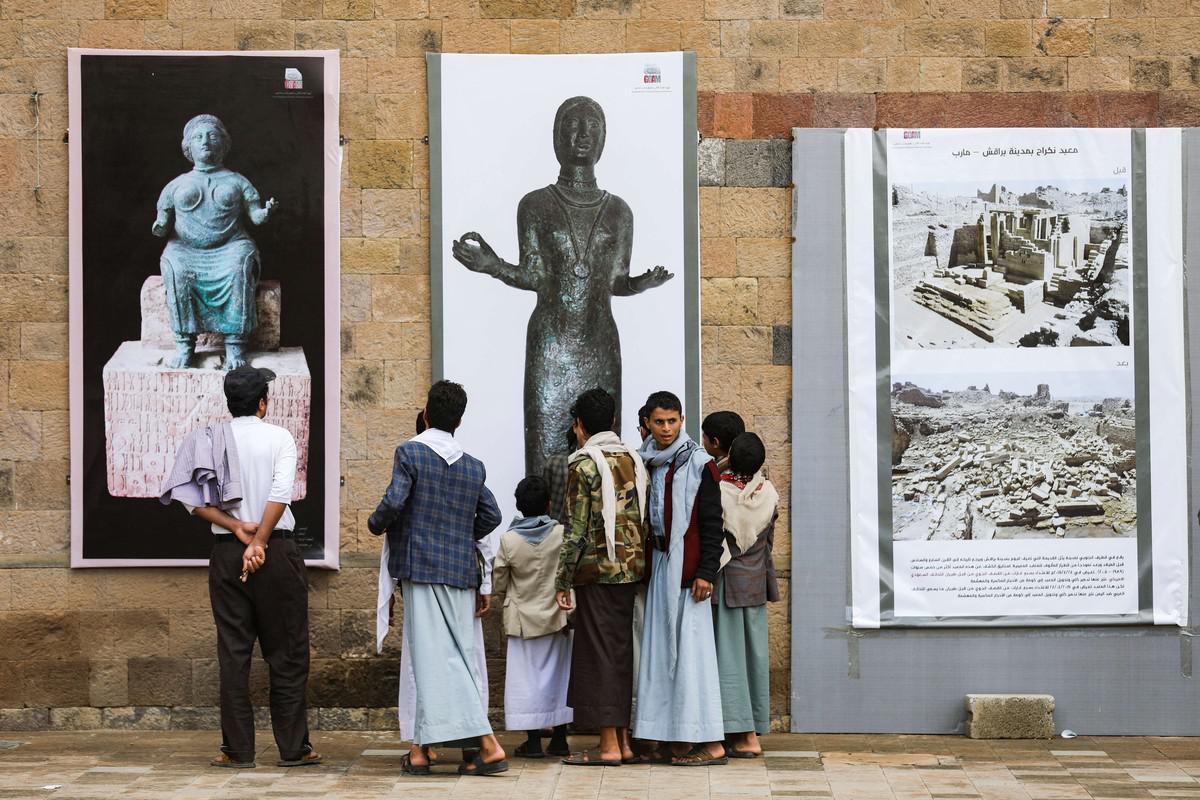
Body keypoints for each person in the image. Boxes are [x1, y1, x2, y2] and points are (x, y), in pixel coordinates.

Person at [452, 96, 674, 477]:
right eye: (573, 125)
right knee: (546, 456)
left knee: (604, 458)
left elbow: (615, 282)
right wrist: (494, 266)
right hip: (551, 343)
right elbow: (534, 275)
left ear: (603, 139)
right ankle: (544, 515)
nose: (583, 134)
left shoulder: (619, 211)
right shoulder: (535, 205)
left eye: (592, 126)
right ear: (557, 136)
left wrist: (642, 283)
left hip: (599, 342)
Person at [164, 365, 317, 769]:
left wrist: (236, 528)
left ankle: (237, 750)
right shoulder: (279, 437)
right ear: (263, 403)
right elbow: (280, 493)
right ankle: (293, 748)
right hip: (276, 551)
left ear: (230, 403)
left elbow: (191, 501)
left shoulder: (208, 439)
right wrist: (261, 541)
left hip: (228, 552)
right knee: (287, 652)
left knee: (233, 654)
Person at [367, 380, 507, 777]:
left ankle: (488, 745)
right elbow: (492, 515)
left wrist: (375, 523)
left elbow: (395, 500)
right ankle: (421, 750)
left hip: (422, 567)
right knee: (456, 657)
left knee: (431, 661)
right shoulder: (473, 465)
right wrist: (459, 533)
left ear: (426, 413)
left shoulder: (410, 453)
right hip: (461, 571)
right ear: (459, 421)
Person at [633, 390, 727, 767]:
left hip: (688, 574)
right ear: (648, 423)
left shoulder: (700, 464)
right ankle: (671, 738)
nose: (667, 428)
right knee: (659, 655)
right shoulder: (644, 461)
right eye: (659, 422)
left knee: (692, 656)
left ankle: (710, 742)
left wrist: (706, 572)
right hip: (659, 566)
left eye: (673, 421)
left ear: (682, 420)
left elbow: (712, 523)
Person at [555, 388, 647, 766]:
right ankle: (623, 742)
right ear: (612, 421)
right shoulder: (632, 459)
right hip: (632, 569)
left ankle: (608, 746)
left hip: (597, 571)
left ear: (579, 425)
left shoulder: (583, 465)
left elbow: (576, 529)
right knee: (620, 653)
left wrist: (562, 580)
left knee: (598, 655)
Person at [153, 114, 277, 370]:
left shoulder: (237, 181)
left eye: (212, 136)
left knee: (239, 267)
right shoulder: (177, 184)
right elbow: (162, 221)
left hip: (231, 246)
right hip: (185, 249)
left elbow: (255, 216)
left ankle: (235, 346)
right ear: (188, 147)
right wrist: (160, 227)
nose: (205, 141)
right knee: (177, 270)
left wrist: (265, 212)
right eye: (198, 137)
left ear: (224, 144)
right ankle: (184, 345)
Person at [493, 476, 572, 758]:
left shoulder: (509, 540)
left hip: (523, 620)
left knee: (525, 680)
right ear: (549, 504)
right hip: (558, 616)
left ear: (518, 505)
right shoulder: (561, 534)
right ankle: (560, 739)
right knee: (560, 677)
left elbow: (499, 581)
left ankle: (534, 741)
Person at [711, 432, 779, 758]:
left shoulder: (720, 492)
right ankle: (753, 728)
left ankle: (743, 735)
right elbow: (768, 544)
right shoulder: (769, 493)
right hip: (755, 584)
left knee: (729, 661)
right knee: (754, 660)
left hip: (726, 584)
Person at [542, 426, 577, 525]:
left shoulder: (553, 462)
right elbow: (544, 499)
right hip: (558, 526)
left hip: (556, 526)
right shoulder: (554, 463)